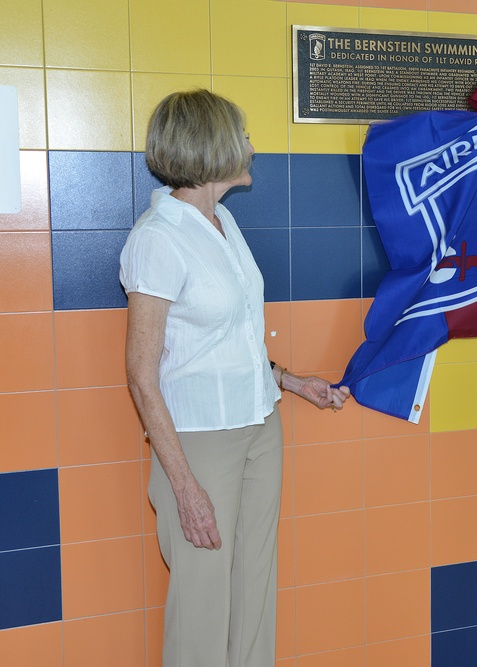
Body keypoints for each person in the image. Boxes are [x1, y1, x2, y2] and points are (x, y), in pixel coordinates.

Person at [121, 89, 351, 666]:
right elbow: (141, 375)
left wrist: (294, 383)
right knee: (201, 604)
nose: (252, 146)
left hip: (259, 426)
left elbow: (233, 341)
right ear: (211, 145)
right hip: (199, 444)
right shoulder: (156, 238)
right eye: (243, 135)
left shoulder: (222, 221)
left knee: (254, 589)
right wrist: (185, 487)